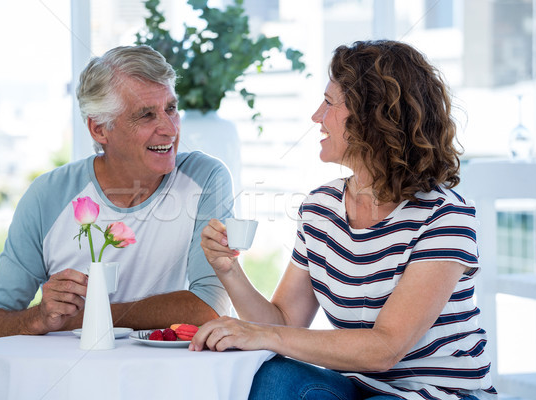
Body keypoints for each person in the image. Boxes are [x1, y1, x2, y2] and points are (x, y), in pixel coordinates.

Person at [193, 40, 497, 400]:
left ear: (372, 116)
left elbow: (386, 349)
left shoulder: (445, 216)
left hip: (436, 394)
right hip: (355, 388)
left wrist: (262, 335)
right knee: (272, 375)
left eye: (329, 103)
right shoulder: (321, 207)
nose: (316, 116)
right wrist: (228, 269)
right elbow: (285, 324)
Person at [0, 45, 234, 343]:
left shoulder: (206, 177)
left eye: (170, 108)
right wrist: (40, 317)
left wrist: (89, 315)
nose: (169, 129)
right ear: (99, 130)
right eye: (146, 115)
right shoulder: (48, 195)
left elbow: (209, 308)